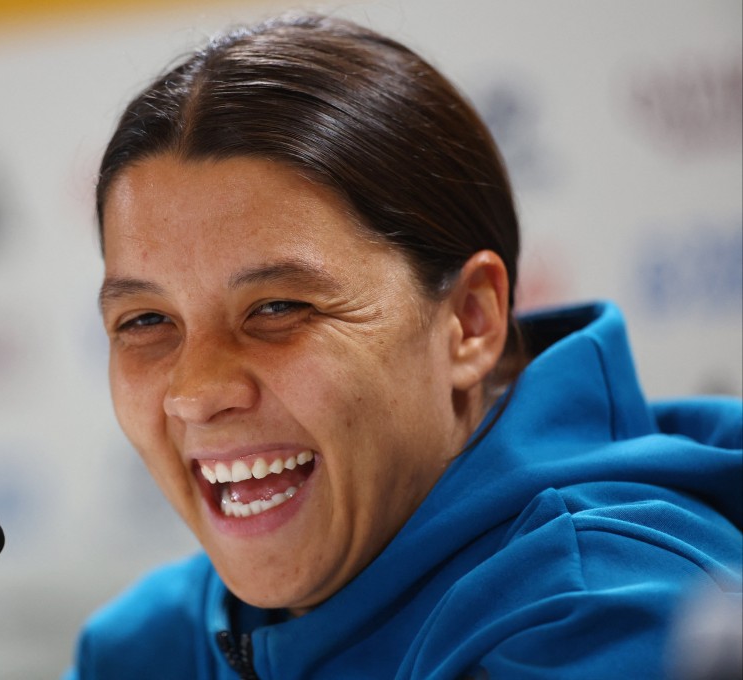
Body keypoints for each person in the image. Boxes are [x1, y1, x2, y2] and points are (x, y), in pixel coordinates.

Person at [66, 13, 742, 679]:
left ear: (470, 321)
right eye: (145, 321)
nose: (196, 392)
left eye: (278, 308)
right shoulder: (143, 646)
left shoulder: (601, 619)